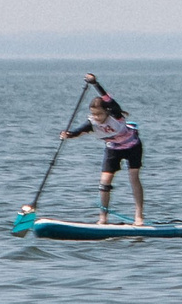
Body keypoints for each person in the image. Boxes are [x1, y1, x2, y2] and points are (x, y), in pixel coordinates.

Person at [60, 75, 145, 224]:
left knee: (133, 178)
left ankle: (139, 216)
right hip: (113, 149)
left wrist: (95, 83)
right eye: (93, 114)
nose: (96, 117)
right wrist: (68, 135)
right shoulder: (92, 123)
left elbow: (107, 98)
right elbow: (77, 132)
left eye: (99, 114)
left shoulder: (115, 115)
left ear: (107, 111)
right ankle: (103, 218)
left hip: (132, 147)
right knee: (104, 183)